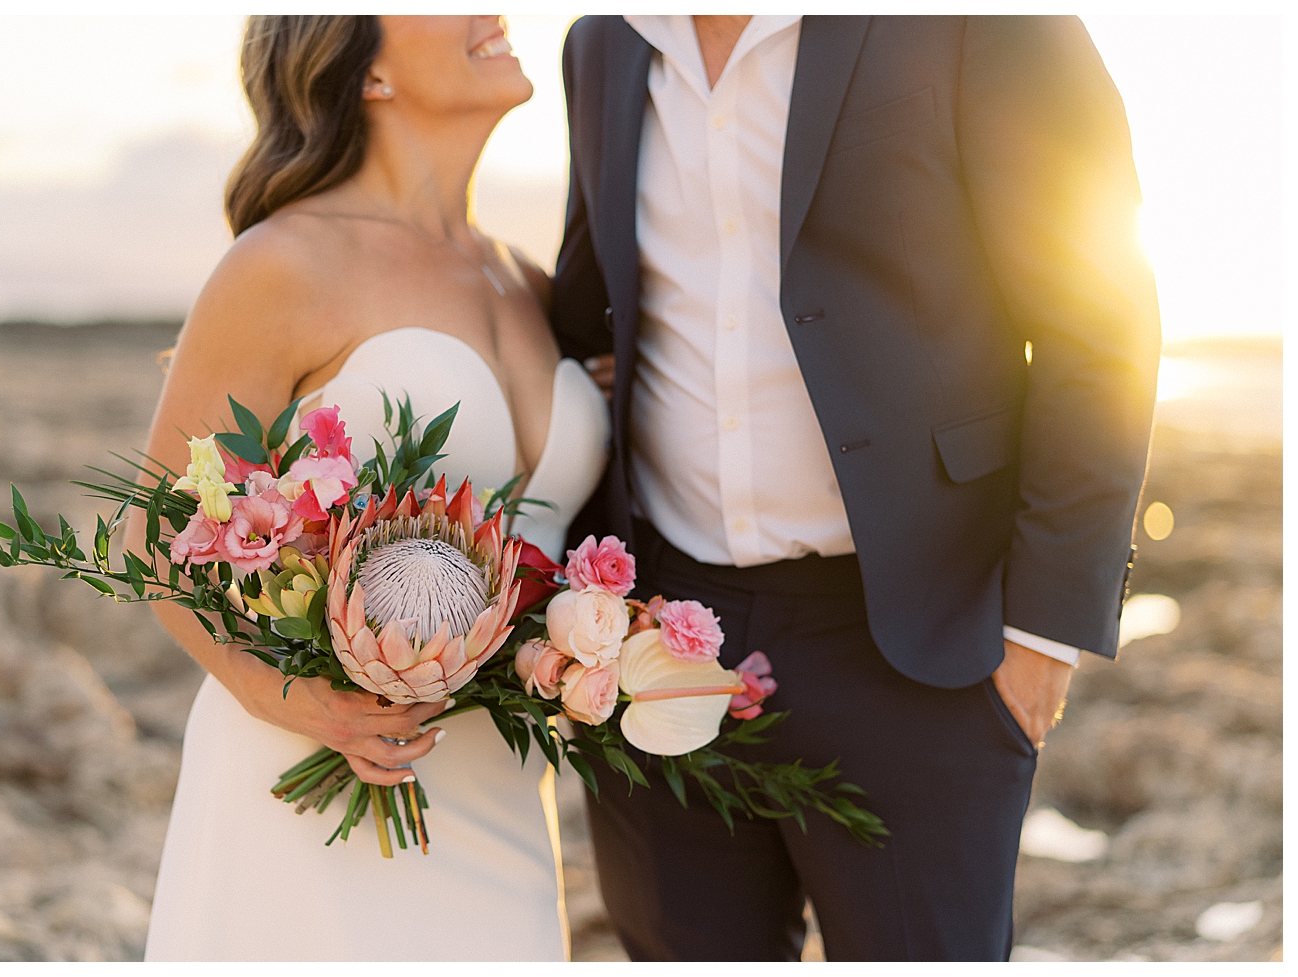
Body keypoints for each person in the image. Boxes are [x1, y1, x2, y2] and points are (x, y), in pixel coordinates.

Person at [552, 15, 1160, 961]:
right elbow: (589, 304)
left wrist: (1040, 637)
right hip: (655, 648)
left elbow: (1101, 319)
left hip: (921, 649)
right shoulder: (602, 43)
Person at [133, 15, 609, 961]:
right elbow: (156, 542)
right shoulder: (282, 264)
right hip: (311, 779)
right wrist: (290, 700)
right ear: (366, 73)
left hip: (503, 792)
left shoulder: (532, 283)